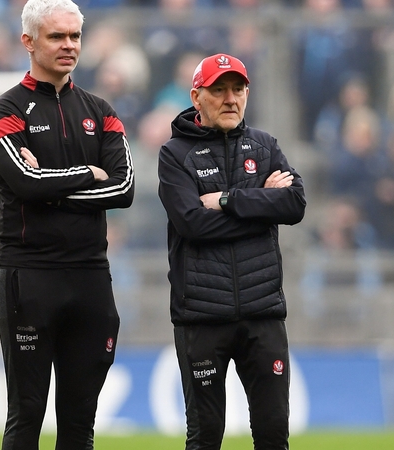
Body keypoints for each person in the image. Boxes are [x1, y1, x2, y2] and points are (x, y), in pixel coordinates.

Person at [0, 0, 135, 448]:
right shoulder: (5, 111)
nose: (69, 45)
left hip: (90, 276)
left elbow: (123, 189)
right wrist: (88, 173)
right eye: (57, 36)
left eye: (75, 36)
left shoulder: (102, 110)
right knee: (26, 416)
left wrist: (50, 186)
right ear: (28, 41)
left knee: (79, 424)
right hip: (29, 277)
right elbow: (24, 183)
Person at [157, 53, 306, 449]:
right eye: (218, 90)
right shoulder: (174, 154)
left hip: (263, 315)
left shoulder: (265, 145)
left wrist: (226, 199)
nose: (230, 98)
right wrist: (261, 203)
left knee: (274, 433)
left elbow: (294, 205)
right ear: (196, 96)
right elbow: (192, 223)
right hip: (202, 318)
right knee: (206, 436)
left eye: (237, 89)